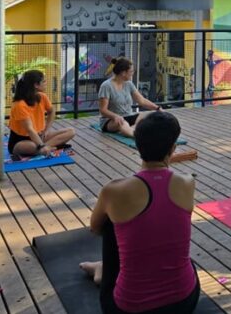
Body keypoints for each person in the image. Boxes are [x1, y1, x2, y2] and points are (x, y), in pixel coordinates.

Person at [80, 111, 200, 313]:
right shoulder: (188, 183)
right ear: (173, 148)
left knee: (111, 224)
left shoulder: (113, 190)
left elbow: (95, 228)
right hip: (184, 303)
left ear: (136, 145)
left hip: (129, 309)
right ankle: (103, 268)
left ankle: (104, 271)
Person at [8, 70, 75, 157]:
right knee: (33, 146)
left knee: (71, 131)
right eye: (44, 81)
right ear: (36, 85)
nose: (46, 83)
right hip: (20, 141)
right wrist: (41, 145)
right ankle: (45, 148)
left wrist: (46, 130)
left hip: (40, 136)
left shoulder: (42, 96)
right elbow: (30, 130)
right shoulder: (19, 105)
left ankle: (43, 149)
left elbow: (51, 111)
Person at [99, 57, 162, 138]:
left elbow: (142, 101)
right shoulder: (106, 86)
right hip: (111, 120)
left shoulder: (129, 84)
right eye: (131, 71)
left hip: (128, 116)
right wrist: (115, 116)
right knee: (122, 122)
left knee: (150, 115)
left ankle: (132, 129)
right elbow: (103, 110)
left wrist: (157, 108)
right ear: (123, 73)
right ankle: (139, 136)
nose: (133, 73)